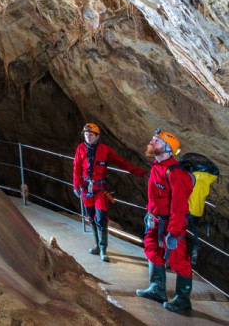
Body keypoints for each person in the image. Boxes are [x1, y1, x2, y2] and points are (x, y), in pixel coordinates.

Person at [135, 129, 195, 314]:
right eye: (153, 139)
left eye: (156, 141)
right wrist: (150, 214)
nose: (152, 142)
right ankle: (157, 289)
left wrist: (174, 233)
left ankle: (183, 300)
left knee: (178, 260)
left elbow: (179, 207)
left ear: (167, 148)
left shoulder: (176, 174)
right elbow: (155, 197)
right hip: (155, 221)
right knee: (152, 249)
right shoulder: (156, 165)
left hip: (171, 224)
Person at [71, 122, 145, 262]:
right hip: (86, 189)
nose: (88, 137)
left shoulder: (105, 150)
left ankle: (103, 249)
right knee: (91, 218)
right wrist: (76, 186)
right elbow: (76, 169)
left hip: (100, 189)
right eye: (86, 135)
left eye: (91, 135)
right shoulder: (80, 149)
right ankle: (97, 246)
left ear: (97, 136)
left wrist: (140, 173)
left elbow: (121, 162)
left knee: (101, 218)